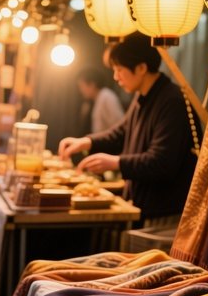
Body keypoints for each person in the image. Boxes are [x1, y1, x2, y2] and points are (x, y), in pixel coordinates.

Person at [58, 33, 199, 223]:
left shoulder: (172, 101)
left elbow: (161, 162)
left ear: (141, 68)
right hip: (144, 206)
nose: (115, 77)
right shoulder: (143, 95)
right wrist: (86, 142)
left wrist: (116, 162)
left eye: (119, 69)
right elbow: (121, 133)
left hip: (165, 212)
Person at [76, 66, 125, 134]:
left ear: (92, 84)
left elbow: (120, 125)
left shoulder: (106, 96)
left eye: (82, 86)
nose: (81, 90)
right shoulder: (96, 99)